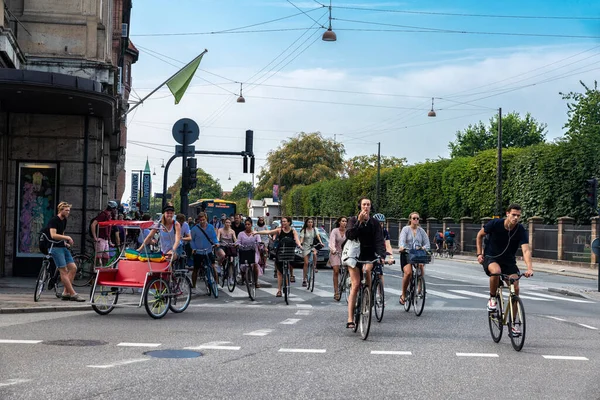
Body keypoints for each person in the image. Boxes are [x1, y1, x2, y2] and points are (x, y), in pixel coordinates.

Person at [476, 203, 533, 333]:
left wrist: (529, 268)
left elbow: (525, 250)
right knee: (496, 272)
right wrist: (479, 254)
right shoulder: (495, 224)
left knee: (515, 288)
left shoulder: (520, 230)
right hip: (491, 257)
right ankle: (492, 298)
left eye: (518, 216)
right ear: (507, 214)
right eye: (513, 215)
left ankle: (513, 323)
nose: (516, 218)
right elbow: (479, 235)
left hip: (508, 261)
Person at [345, 197, 386, 329]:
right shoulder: (353, 220)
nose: (366, 207)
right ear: (360, 206)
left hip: (368, 254)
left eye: (368, 204)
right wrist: (359, 222)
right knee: (356, 284)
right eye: (364, 204)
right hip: (354, 255)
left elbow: (379, 241)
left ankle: (368, 296)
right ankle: (350, 318)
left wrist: (381, 255)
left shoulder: (374, 223)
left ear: (370, 207)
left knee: (368, 270)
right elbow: (350, 235)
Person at [46, 202, 85, 302]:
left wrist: (64, 242)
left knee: (73, 268)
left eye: (69, 210)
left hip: (62, 246)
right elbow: (53, 235)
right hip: (55, 247)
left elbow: (61, 232)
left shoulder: (64, 220)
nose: (68, 212)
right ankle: (73, 294)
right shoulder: (54, 220)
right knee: (63, 271)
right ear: (61, 210)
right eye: (66, 210)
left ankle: (65, 292)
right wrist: (67, 237)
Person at [254, 217, 302, 297]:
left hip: (289, 252)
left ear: (289, 222)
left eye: (285, 221)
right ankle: (279, 290)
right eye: (282, 221)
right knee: (280, 272)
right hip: (280, 252)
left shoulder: (293, 231)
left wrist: (299, 245)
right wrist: (257, 233)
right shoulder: (279, 230)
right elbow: (268, 231)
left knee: (288, 269)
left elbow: (297, 240)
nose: (283, 223)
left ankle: (287, 285)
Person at [398, 212, 430, 305]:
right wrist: (402, 247)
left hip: (417, 254)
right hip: (407, 253)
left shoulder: (421, 231)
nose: (416, 220)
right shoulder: (405, 229)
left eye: (417, 219)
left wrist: (424, 247)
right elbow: (402, 241)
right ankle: (403, 294)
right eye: (414, 218)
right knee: (408, 273)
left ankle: (420, 288)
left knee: (421, 266)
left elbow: (427, 243)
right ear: (410, 220)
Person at [190, 212, 220, 289]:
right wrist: (193, 248)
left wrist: (216, 243)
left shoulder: (210, 227)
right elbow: (192, 240)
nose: (202, 221)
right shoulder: (194, 229)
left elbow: (214, 237)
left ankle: (216, 284)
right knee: (196, 269)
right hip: (198, 251)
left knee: (213, 266)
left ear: (206, 219)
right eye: (200, 220)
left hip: (208, 250)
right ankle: (193, 286)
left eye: (203, 220)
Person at [236, 217, 263, 288]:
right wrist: (238, 245)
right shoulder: (241, 234)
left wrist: (260, 245)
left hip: (253, 252)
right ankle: (243, 277)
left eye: (249, 224)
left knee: (255, 265)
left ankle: (256, 281)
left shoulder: (256, 234)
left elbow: (259, 242)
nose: (247, 226)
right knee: (243, 265)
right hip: (244, 251)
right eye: (246, 224)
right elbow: (238, 242)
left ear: (251, 225)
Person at [90, 200, 117, 266]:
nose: (115, 210)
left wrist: (109, 241)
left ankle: (103, 271)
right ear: (112, 208)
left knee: (106, 258)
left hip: (105, 239)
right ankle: (95, 272)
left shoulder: (109, 216)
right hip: (100, 238)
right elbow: (93, 224)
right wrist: (95, 237)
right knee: (98, 258)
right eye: (115, 208)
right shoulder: (103, 215)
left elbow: (108, 229)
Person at [299, 217, 323, 287]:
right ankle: (304, 279)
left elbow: (318, 236)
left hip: (312, 246)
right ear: (306, 223)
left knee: (315, 254)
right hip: (305, 246)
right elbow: (302, 238)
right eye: (309, 222)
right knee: (306, 263)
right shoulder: (304, 230)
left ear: (313, 223)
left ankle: (315, 266)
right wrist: (300, 244)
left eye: (311, 222)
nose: (310, 223)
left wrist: (321, 242)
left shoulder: (315, 229)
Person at [329, 216, 347, 300]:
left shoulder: (348, 232)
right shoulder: (335, 231)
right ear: (339, 222)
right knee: (336, 271)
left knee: (348, 270)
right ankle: (336, 291)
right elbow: (332, 241)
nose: (344, 223)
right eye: (343, 221)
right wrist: (333, 249)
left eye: (345, 221)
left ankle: (346, 285)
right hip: (335, 253)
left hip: (345, 253)